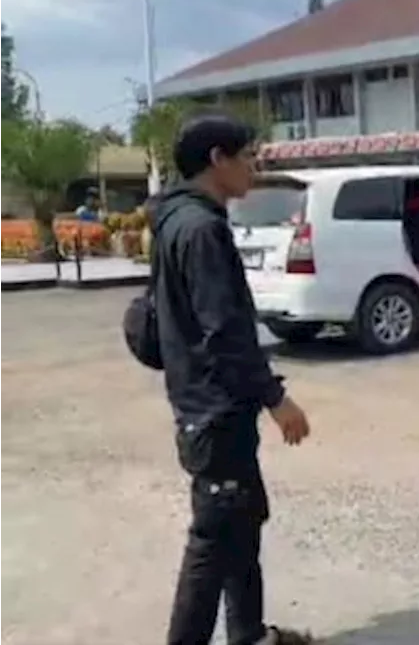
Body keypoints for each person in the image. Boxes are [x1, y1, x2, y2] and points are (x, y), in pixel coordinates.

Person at [150, 113, 312, 645]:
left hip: (211, 405)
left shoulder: (179, 220)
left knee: (242, 523)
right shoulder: (198, 229)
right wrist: (276, 397)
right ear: (217, 160)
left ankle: (249, 634)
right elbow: (225, 331)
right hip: (215, 410)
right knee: (213, 538)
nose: (254, 167)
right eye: (247, 157)